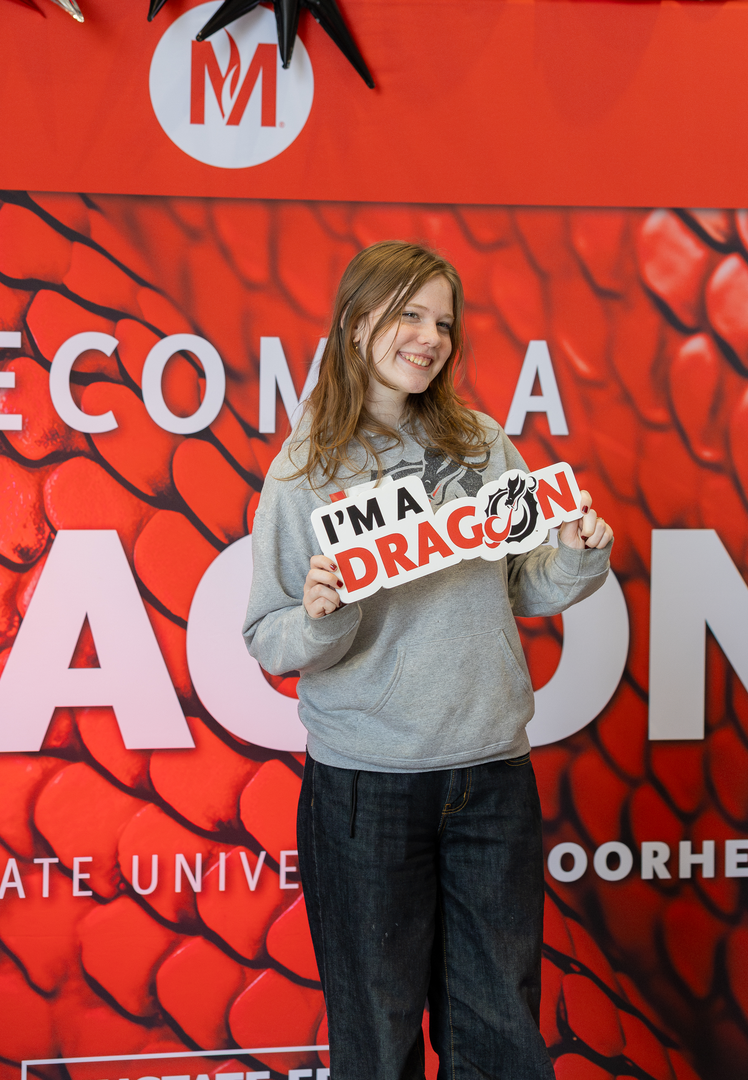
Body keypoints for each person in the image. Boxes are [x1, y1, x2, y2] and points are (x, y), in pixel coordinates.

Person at [243, 240, 613, 1080]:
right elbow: (269, 636)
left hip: (492, 775)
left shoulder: (481, 443)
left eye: (443, 323)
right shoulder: (303, 473)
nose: (430, 338)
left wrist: (578, 555)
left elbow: (522, 584)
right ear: (356, 323)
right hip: (366, 789)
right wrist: (321, 614)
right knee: (379, 1042)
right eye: (409, 315)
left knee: (500, 1034)